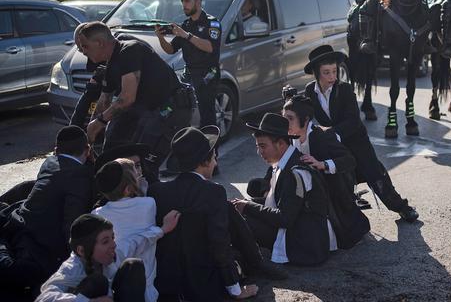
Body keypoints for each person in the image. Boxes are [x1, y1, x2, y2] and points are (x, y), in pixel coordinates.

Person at [302, 45, 419, 223]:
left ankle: (402, 207)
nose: (332, 76)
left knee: (375, 175)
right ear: (317, 74)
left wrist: (332, 132)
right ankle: (347, 216)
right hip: (333, 145)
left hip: (356, 141)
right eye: (326, 72)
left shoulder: (346, 90)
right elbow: (306, 115)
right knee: (339, 178)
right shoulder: (310, 91)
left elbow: (353, 121)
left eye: (335, 71)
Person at [148, 126, 258, 301]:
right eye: (214, 158)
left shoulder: (157, 191)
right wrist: (235, 289)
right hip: (203, 286)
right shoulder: (214, 192)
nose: (215, 163)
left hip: (166, 285)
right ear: (205, 161)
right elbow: (219, 242)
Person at [75, 21, 193, 183]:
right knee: (113, 153)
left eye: (85, 46)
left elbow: (126, 98)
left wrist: (99, 122)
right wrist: (87, 137)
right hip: (148, 110)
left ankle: (152, 203)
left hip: (170, 109)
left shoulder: (130, 50)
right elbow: (104, 102)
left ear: (100, 43)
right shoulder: (110, 66)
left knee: (144, 166)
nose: (83, 52)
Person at [0, 126, 95, 296]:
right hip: (38, 246)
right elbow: (71, 222)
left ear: (56, 150)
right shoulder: (82, 177)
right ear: (87, 150)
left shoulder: (49, 163)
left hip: (18, 222)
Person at [233, 113, 334, 265]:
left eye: (263, 146)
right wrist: (247, 204)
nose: (259, 152)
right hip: (298, 231)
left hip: (305, 245)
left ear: (280, 143)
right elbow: (275, 202)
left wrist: (248, 206)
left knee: (239, 222)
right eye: (258, 146)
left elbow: (285, 218)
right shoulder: (286, 162)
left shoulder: (295, 172)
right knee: (237, 210)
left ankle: (241, 266)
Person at [282, 94, 370, 248]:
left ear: (306, 119)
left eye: (290, 118)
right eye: (284, 118)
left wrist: (323, 164)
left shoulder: (323, 135)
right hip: (303, 192)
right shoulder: (288, 137)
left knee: (344, 237)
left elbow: (349, 160)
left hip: (331, 192)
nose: (285, 123)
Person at [92, 159, 181, 301]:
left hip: (113, 283)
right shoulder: (148, 204)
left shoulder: (96, 214)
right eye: (136, 175)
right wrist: (162, 229)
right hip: (146, 284)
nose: (140, 176)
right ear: (128, 189)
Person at [36, 214, 146, 302]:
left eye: (113, 238)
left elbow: (132, 244)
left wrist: (161, 230)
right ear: (82, 251)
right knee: (97, 281)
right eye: (105, 241)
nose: (114, 245)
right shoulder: (72, 268)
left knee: (133, 265)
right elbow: (44, 298)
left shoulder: (108, 256)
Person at [156, 0, 222, 128]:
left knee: (207, 115)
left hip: (207, 74)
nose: (183, 5)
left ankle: (211, 148)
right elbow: (171, 49)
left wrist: (186, 35)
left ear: (198, 2)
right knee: (174, 104)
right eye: (182, 1)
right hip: (189, 72)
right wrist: (160, 38)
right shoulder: (185, 25)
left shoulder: (212, 23)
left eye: (187, 1)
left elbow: (210, 47)